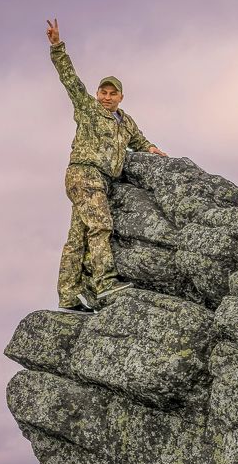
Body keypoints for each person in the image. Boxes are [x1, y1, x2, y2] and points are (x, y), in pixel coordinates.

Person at [46, 18, 167, 312]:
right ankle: (105, 284)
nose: (107, 97)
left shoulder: (125, 122)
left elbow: (139, 141)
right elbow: (70, 80)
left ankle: (69, 295)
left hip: (101, 181)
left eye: (112, 93)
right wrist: (57, 47)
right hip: (84, 174)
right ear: (98, 94)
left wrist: (153, 150)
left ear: (121, 97)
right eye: (103, 92)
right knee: (100, 226)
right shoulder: (89, 109)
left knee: (78, 237)